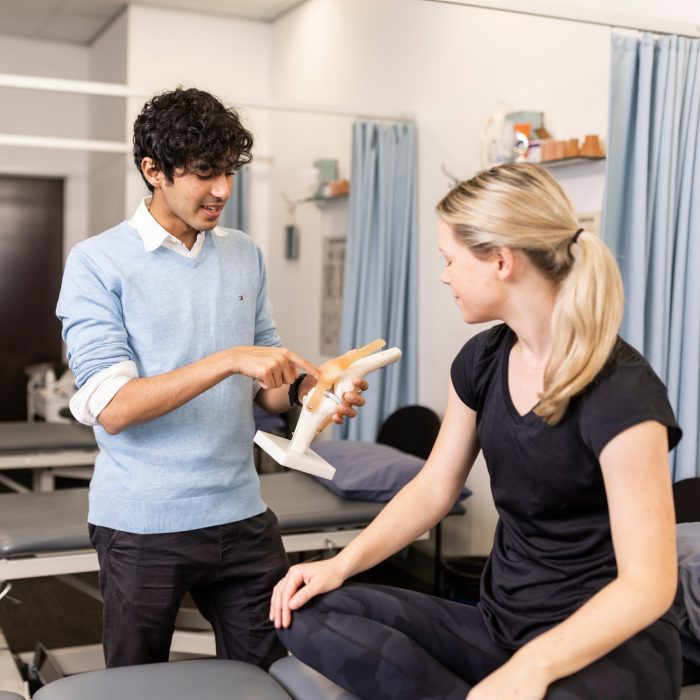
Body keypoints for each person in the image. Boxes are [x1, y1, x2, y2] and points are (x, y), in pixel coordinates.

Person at [270, 163, 683, 699]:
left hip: (604, 649)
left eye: (449, 261)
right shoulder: (481, 361)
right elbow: (433, 488)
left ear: (501, 261)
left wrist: (532, 669)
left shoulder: (621, 391)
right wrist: (339, 564)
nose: (444, 276)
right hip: (499, 627)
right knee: (309, 610)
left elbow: (648, 585)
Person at [56, 87, 365, 670]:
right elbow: (114, 408)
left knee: (271, 674)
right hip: (143, 523)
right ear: (153, 171)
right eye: (204, 173)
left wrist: (312, 390)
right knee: (137, 686)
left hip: (241, 513)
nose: (222, 189)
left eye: (227, 170)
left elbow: (267, 373)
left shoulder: (243, 253)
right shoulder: (97, 263)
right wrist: (229, 358)